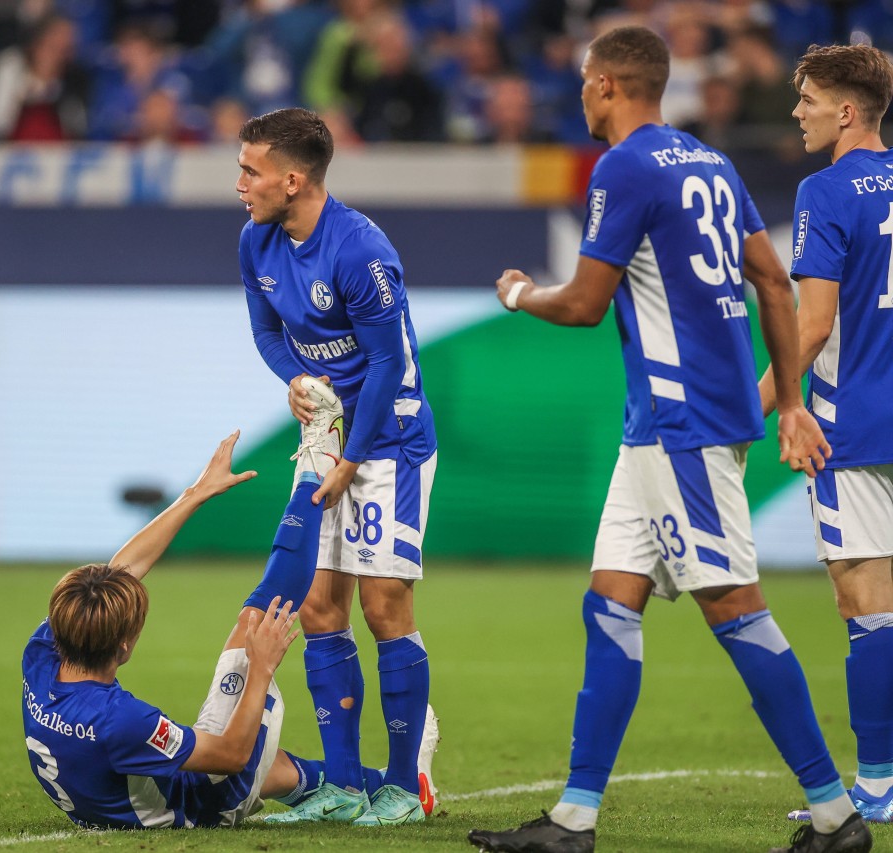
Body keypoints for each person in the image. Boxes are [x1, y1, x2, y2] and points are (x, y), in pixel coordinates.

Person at [465, 26, 871, 853]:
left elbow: (582, 304)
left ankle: (835, 815)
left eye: (585, 80)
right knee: (610, 601)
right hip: (660, 426)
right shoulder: (708, 160)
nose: (580, 93)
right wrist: (787, 399)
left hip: (681, 424)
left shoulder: (625, 166)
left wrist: (517, 293)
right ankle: (573, 820)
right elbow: (770, 277)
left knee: (735, 607)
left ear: (610, 84)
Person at [22, 426, 438, 829]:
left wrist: (195, 493)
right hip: (208, 803)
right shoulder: (119, 718)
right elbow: (230, 755)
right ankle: (316, 459)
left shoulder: (43, 658)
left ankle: (390, 784)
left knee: (275, 770)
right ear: (125, 647)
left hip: (125, 787)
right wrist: (261, 669)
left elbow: (120, 573)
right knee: (258, 618)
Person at [237, 106, 437, 826]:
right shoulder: (255, 242)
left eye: (250, 170)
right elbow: (266, 332)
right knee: (319, 605)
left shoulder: (360, 250)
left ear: (293, 179)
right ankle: (345, 785)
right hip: (327, 438)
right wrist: (297, 380)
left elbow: (387, 362)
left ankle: (407, 787)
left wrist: (352, 457)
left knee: (384, 607)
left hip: (388, 443)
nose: (240, 184)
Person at [757, 43, 893, 828]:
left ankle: (875, 782)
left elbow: (811, 326)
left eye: (808, 98)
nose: (798, 111)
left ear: (846, 111)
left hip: (855, 428)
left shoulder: (826, 191)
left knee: (866, 605)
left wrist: (752, 408)